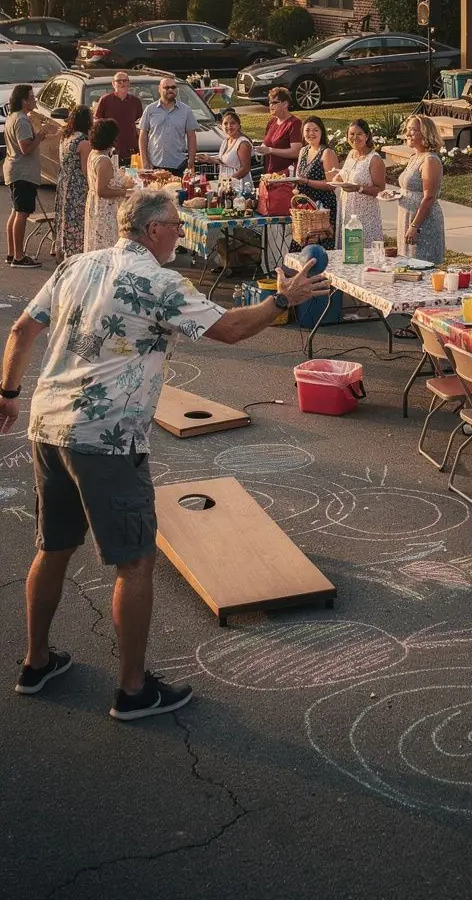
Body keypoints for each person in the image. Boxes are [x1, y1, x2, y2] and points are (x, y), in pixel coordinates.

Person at [0, 187, 328, 720]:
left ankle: (35, 663)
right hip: (105, 438)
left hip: (47, 422)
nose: (180, 231)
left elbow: (22, 328)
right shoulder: (158, 282)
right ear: (152, 230)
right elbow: (228, 329)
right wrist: (283, 299)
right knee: (134, 562)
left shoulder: (77, 264)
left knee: (53, 546)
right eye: (176, 224)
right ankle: (132, 690)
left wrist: (8, 393)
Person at [3, 84, 45, 269]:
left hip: (16, 170)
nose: (34, 99)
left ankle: (13, 253)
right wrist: (41, 135)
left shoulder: (15, 117)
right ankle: (19, 257)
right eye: (31, 97)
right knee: (22, 213)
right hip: (22, 172)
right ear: (24, 101)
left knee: (16, 211)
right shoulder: (21, 120)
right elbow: (25, 148)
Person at [396, 114, 445, 265]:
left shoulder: (430, 160)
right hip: (407, 216)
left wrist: (415, 226)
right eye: (408, 129)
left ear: (426, 133)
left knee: (422, 265)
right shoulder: (414, 157)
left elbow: (429, 197)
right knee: (407, 264)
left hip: (423, 222)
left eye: (414, 130)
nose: (408, 133)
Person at [85, 119, 135, 251]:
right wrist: (125, 192)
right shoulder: (104, 161)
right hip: (105, 210)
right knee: (107, 245)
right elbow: (102, 190)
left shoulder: (93, 154)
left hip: (97, 207)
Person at [335, 119, 385, 248]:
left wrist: (358, 188)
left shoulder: (374, 159)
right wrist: (338, 178)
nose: (355, 138)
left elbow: (380, 190)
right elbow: (345, 175)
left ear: (367, 136)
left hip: (365, 215)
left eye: (359, 134)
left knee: (363, 251)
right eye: (351, 134)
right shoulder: (351, 154)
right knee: (347, 251)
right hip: (347, 210)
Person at [290, 116, 339, 249]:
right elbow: (298, 177)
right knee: (300, 246)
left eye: (315, 130)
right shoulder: (303, 151)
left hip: (321, 208)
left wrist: (307, 182)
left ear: (321, 132)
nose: (311, 133)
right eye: (307, 130)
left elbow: (332, 185)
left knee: (318, 250)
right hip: (304, 209)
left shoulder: (327, 153)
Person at [54, 105, 92, 260]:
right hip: (77, 186)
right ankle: (75, 253)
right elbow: (85, 170)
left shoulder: (65, 137)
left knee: (64, 217)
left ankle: (60, 250)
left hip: (64, 181)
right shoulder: (83, 142)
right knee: (77, 220)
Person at [138, 77, 197, 177]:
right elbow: (143, 136)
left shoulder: (186, 111)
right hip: (154, 165)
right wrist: (145, 161)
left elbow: (191, 137)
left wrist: (191, 161)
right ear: (159, 89)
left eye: (173, 87)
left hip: (178, 165)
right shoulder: (150, 109)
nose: (170, 90)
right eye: (166, 87)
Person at [94, 72, 143, 165]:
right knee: (114, 177)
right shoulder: (105, 100)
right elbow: (98, 122)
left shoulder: (136, 101)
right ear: (113, 84)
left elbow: (139, 124)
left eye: (125, 81)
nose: (122, 83)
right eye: (119, 81)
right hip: (111, 149)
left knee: (131, 176)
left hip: (131, 149)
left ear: (129, 83)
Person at [259, 87, 302, 174]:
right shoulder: (272, 122)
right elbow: (266, 144)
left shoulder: (295, 123)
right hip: (269, 175)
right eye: (270, 102)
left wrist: (271, 150)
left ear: (285, 104)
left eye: (274, 102)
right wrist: (258, 150)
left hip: (286, 177)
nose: (271, 105)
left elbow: (296, 152)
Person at [217, 108, 254, 196]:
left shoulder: (243, 143)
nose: (229, 126)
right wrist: (208, 159)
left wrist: (229, 181)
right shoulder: (225, 141)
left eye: (232, 123)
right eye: (225, 123)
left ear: (238, 126)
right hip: (225, 186)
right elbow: (224, 161)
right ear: (221, 125)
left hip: (240, 187)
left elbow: (245, 168)